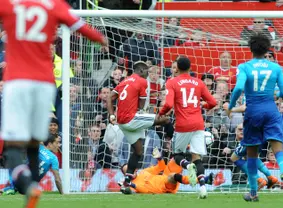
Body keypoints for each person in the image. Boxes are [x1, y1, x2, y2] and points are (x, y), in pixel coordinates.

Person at [0, 0, 107, 207]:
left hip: (17, 81)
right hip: (44, 84)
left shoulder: (9, 4)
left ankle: (27, 186)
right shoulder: (55, 5)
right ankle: (32, 187)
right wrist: (100, 39)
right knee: (34, 142)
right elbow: (82, 28)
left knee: (12, 146)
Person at [227, 34, 283, 202]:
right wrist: (276, 97)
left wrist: (230, 106)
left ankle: (253, 193)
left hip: (253, 112)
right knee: (279, 150)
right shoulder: (275, 68)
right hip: (271, 110)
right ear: (267, 49)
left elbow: (238, 89)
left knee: (252, 154)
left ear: (250, 49)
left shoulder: (244, 67)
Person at [159, 57, 217, 199]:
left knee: (177, 155)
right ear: (190, 68)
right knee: (197, 158)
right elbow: (213, 102)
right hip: (198, 124)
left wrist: (160, 113)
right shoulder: (198, 82)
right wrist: (203, 105)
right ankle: (203, 188)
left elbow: (168, 105)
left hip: (182, 124)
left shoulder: (172, 82)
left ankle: (187, 166)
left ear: (177, 68)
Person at [107, 61, 170, 187]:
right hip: (131, 118)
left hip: (121, 121)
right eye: (147, 71)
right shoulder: (142, 81)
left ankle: (127, 180)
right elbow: (141, 106)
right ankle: (172, 141)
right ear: (141, 71)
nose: (148, 73)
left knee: (138, 151)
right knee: (165, 119)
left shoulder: (124, 81)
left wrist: (112, 115)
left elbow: (109, 97)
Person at [119, 148, 221, 194]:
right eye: (126, 171)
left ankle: (189, 162)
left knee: (175, 160)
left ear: (134, 169)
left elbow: (161, 167)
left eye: (130, 169)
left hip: (165, 175)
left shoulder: (144, 172)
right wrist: (129, 185)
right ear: (126, 175)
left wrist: (159, 158)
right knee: (173, 176)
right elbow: (142, 190)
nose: (130, 172)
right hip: (165, 187)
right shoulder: (133, 185)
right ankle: (202, 179)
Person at [230, 123, 279, 190]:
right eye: (240, 129)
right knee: (251, 157)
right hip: (259, 139)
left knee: (234, 158)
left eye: (243, 129)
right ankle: (270, 177)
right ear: (235, 130)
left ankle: (258, 180)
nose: (242, 131)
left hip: (249, 139)